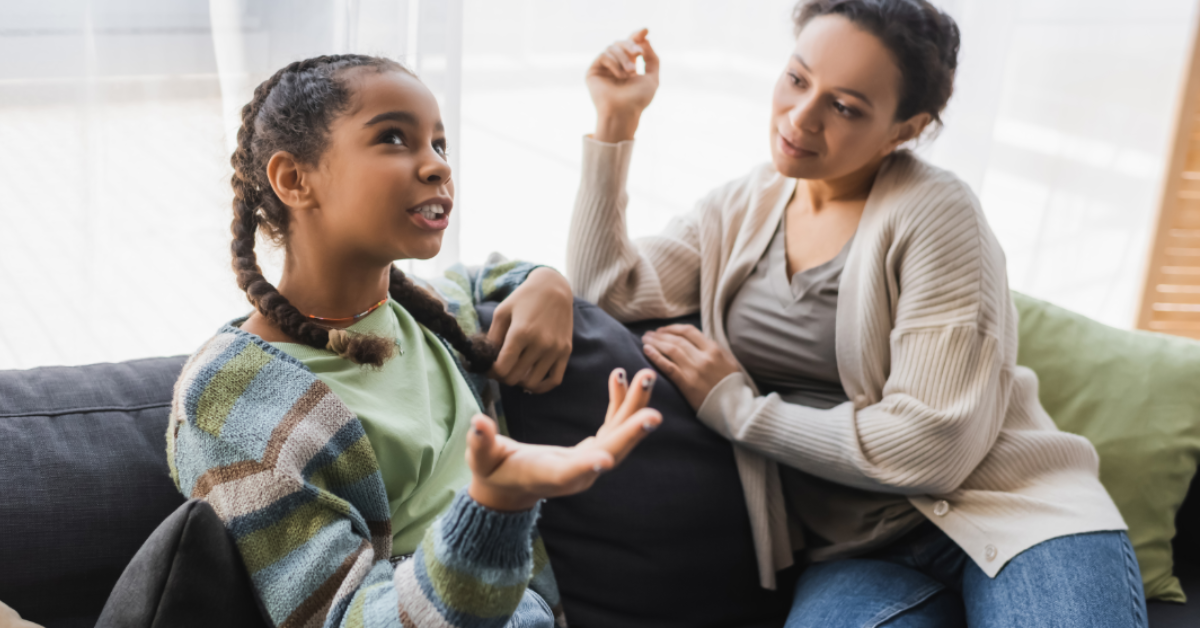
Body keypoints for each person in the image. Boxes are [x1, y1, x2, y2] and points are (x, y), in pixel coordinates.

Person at [569, 1, 1146, 626]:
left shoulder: (938, 212)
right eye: (797, 79)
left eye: (844, 107)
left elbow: (933, 445)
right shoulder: (738, 209)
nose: (801, 116)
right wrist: (615, 120)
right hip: (857, 552)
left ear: (904, 128)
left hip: (1017, 516)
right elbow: (604, 292)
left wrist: (738, 409)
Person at [169, 54, 662, 628]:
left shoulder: (431, 312)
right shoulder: (229, 400)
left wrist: (545, 282)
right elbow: (346, 619)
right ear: (294, 180)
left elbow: (485, 277)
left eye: (440, 144)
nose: (436, 167)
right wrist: (493, 507)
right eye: (394, 138)